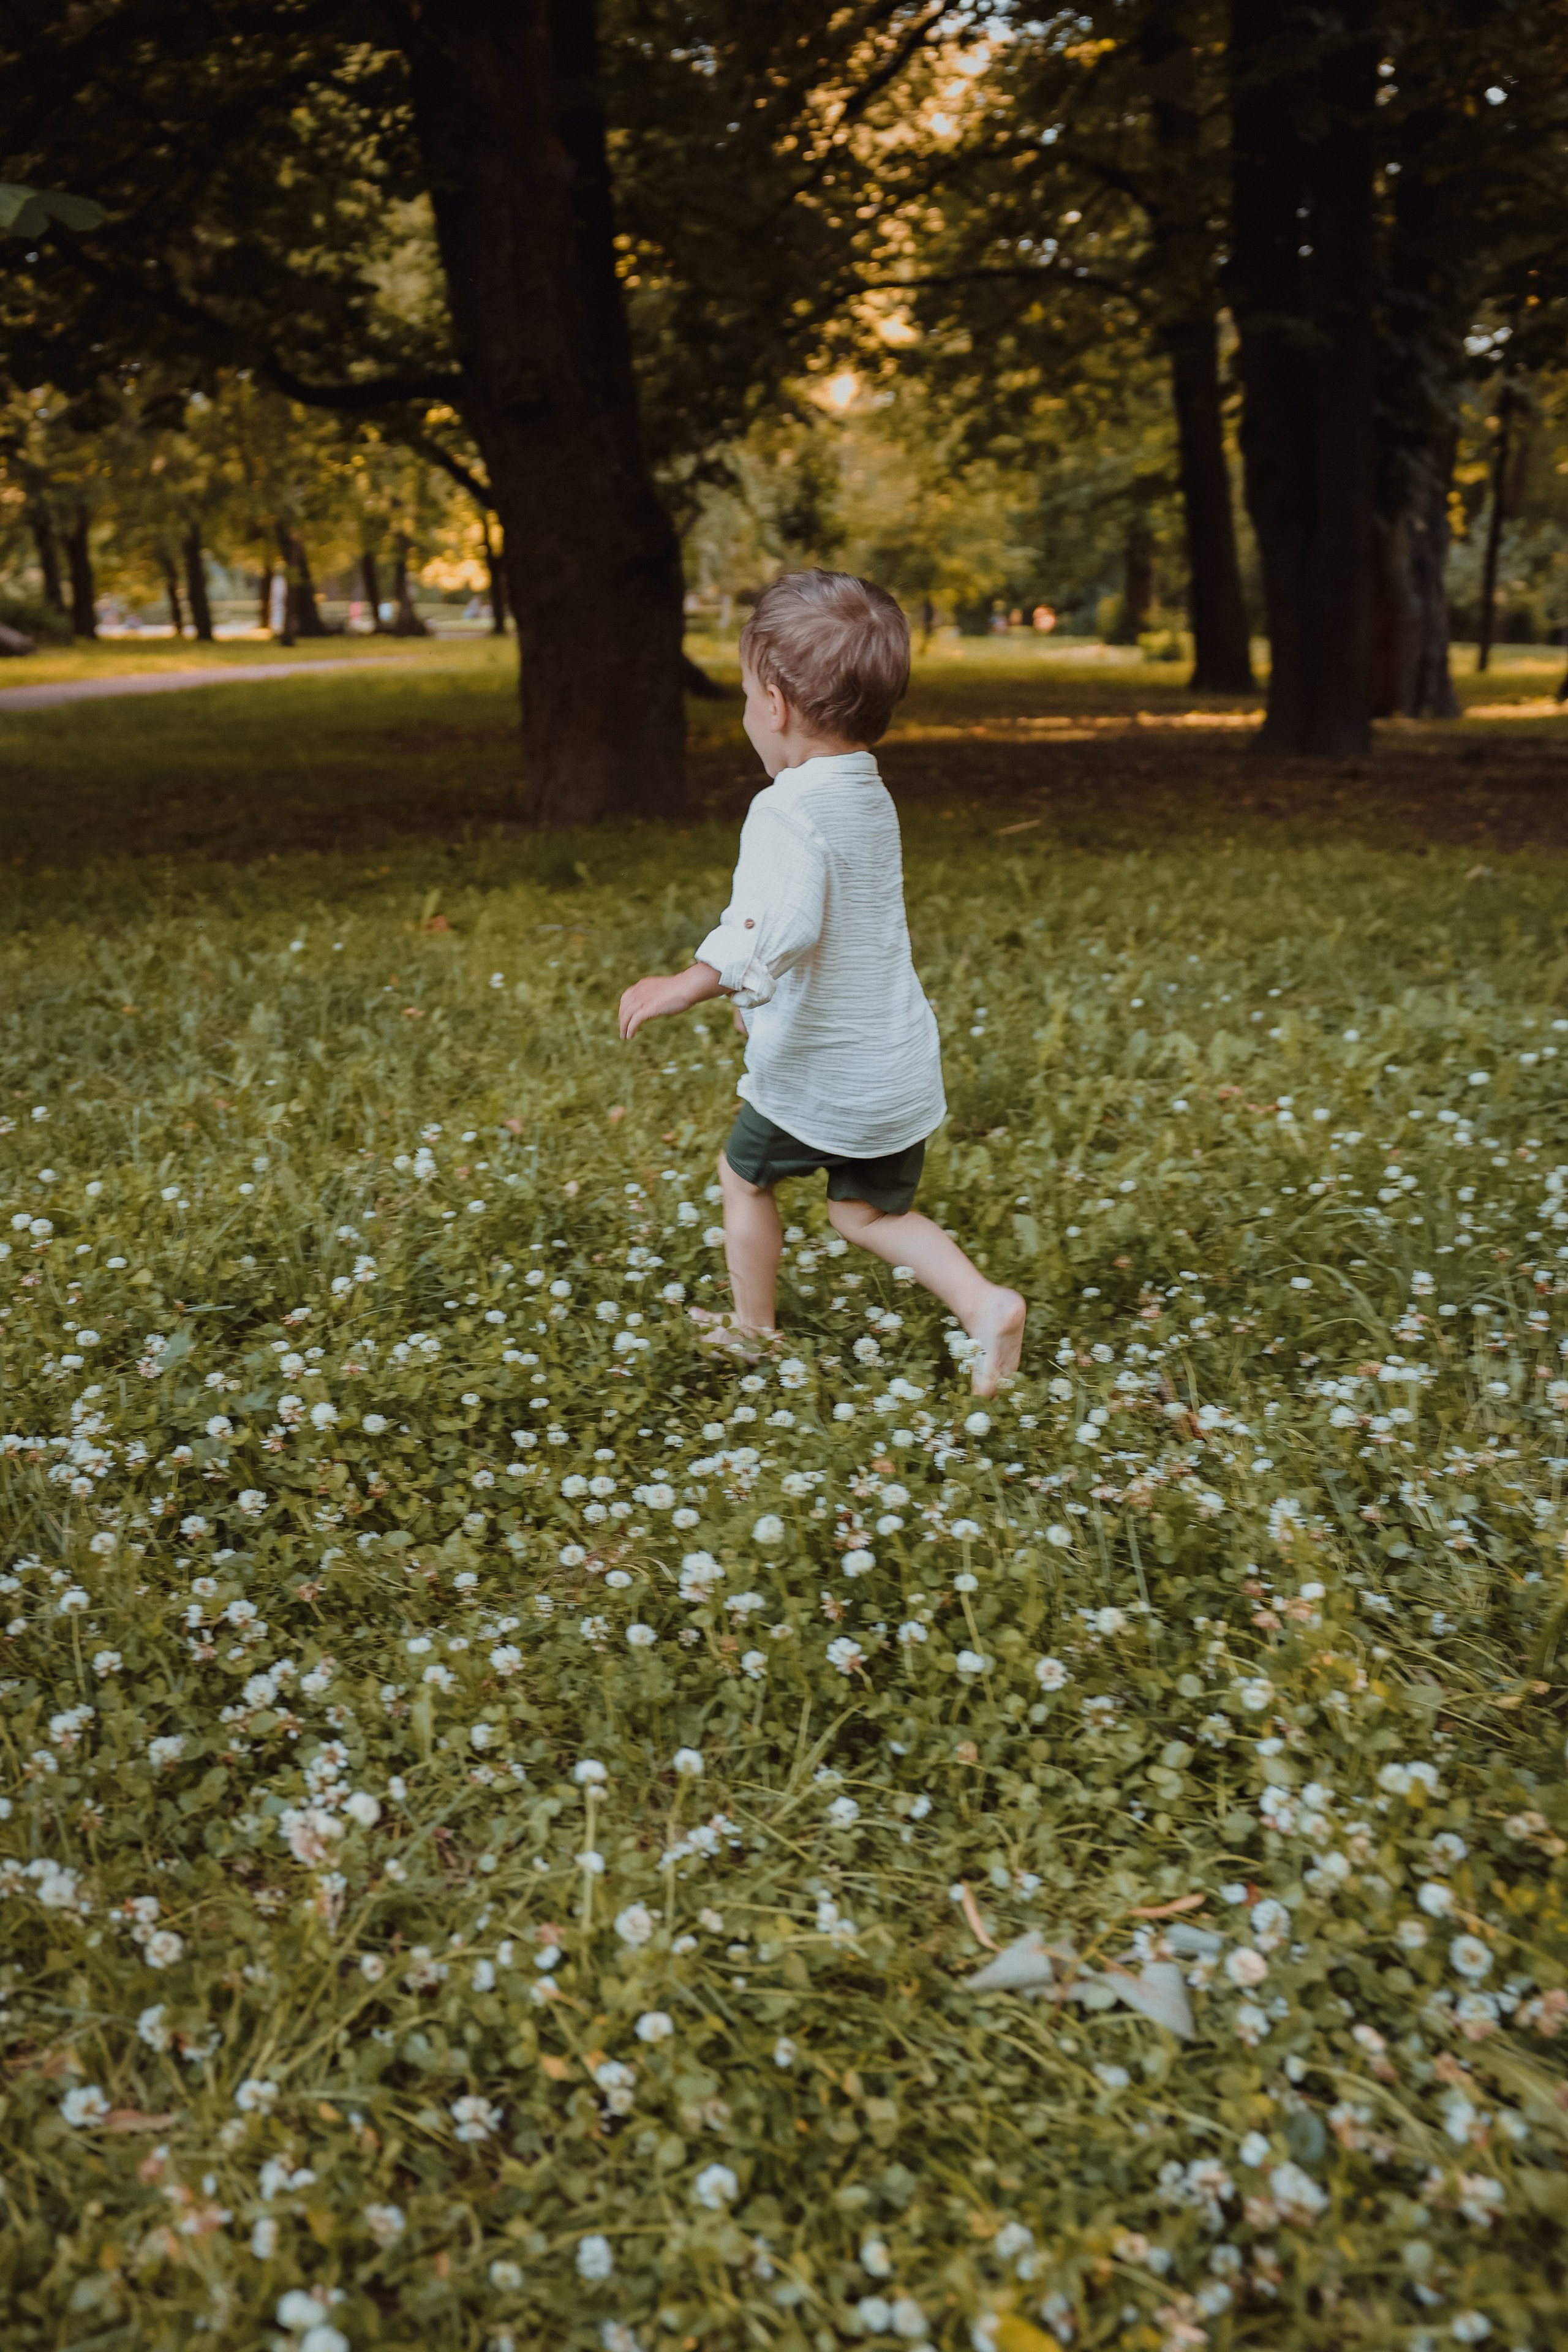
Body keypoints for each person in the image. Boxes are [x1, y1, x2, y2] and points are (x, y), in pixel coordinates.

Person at [617, 567, 1027, 1397]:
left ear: (775, 704)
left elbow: (777, 925)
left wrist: (693, 980)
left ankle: (752, 1330)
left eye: (741, 697)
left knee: (744, 1176)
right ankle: (984, 1304)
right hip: (895, 1061)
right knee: (867, 1213)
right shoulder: (868, 793)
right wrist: (754, 997)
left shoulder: (789, 810)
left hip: (824, 1074)